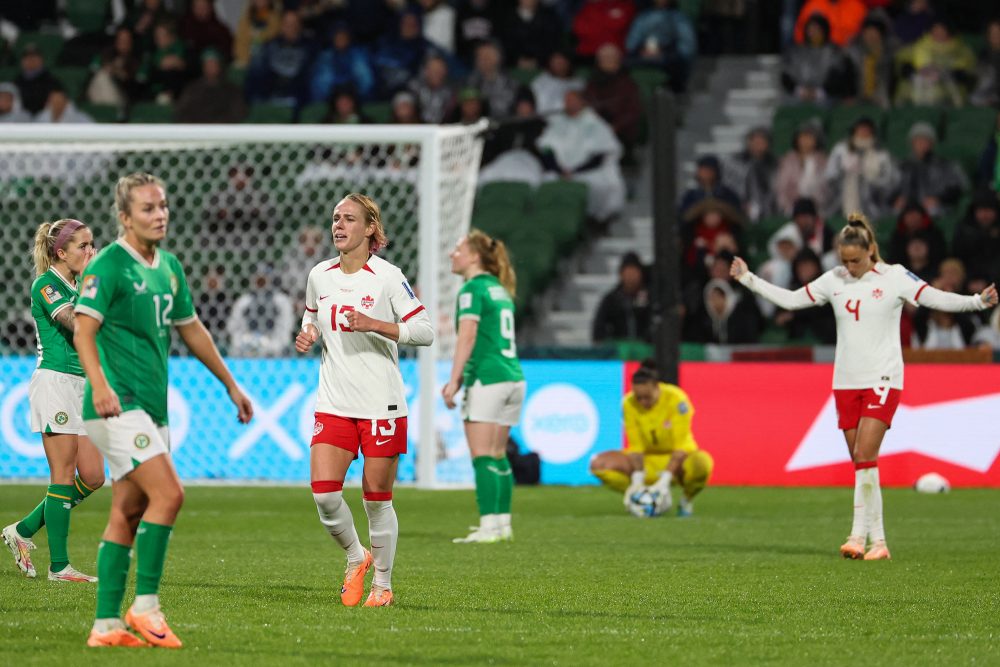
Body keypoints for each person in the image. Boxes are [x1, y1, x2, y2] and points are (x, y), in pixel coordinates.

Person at [730, 214, 998, 560]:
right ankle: (880, 543)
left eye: (855, 260)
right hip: (845, 382)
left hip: (883, 378)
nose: (850, 267)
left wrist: (976, 302)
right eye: (844, 260)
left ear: (872, 250)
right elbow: (792, 300)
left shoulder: (895, 276)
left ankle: (857, 537)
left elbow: (934, 298)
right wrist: (748, 279)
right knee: (864, 465)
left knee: (864, 455)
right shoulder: (835, 279)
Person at [75, 173, 253, 647]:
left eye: (163, 206)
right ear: (125, 216)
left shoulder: (169, 266)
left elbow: (192, 330)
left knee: (128, 511)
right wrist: (100, 386)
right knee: (170, 495)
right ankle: (146, 606)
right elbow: (83, 331)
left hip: (151, 409)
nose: (160, 215)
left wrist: (231, 385)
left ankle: (105, 625)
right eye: (148, 208)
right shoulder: (109, 265)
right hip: (115, 406)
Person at [295, 193, 433, 608]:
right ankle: (357, 556)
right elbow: (311, 315)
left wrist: (375, 324)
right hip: (334, 402)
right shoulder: (320, 274)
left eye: (348, 219)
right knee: (323, 494)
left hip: (382, 406)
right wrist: (307, 333)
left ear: (370, 228)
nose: (338, 225)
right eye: (335, 218)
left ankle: (383, 586)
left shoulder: (388, 277)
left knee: (377, 499)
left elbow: (424, 331)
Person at [2, 218, 101, 583]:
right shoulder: (47, 284)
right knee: (62, 475)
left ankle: (23, 530)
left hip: (83, 386)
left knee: (92, 476)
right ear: (61, 252)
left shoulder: (80, 285)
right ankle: (59, 567)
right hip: (55, 382)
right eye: (84, 246)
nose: (91, 252)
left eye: (92, 245)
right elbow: (75, 323)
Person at [442, 229, 525, 543]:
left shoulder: (472, 289)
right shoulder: (499, 289)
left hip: (488, 378)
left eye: (458, 248)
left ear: (474, 256)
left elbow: (468, 336)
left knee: (482, 456)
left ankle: (489, 526)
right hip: (513, 377)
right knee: (499, 454)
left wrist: (454, 380)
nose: (453, 254)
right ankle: (502, 524)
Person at [590, 360, 714, 517]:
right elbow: (636, 447)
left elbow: (681, 446)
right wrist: (637, 480)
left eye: (647, 397)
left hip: (679, 460)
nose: (642, 402)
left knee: (702, 463)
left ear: (657, 387)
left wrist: (665, 480)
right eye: (638, 397)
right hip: (648, 461)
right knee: (598, 465)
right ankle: (642, 495)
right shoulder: (628, 403)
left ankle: (686, 500)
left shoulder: (676, 399)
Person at [592, 251, 651, 343]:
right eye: (628, 272)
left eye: (634, 272)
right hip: (618, 352)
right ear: (621, 274)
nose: (631, 276)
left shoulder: (649, 298)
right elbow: (598, 329)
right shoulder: (611, 299)